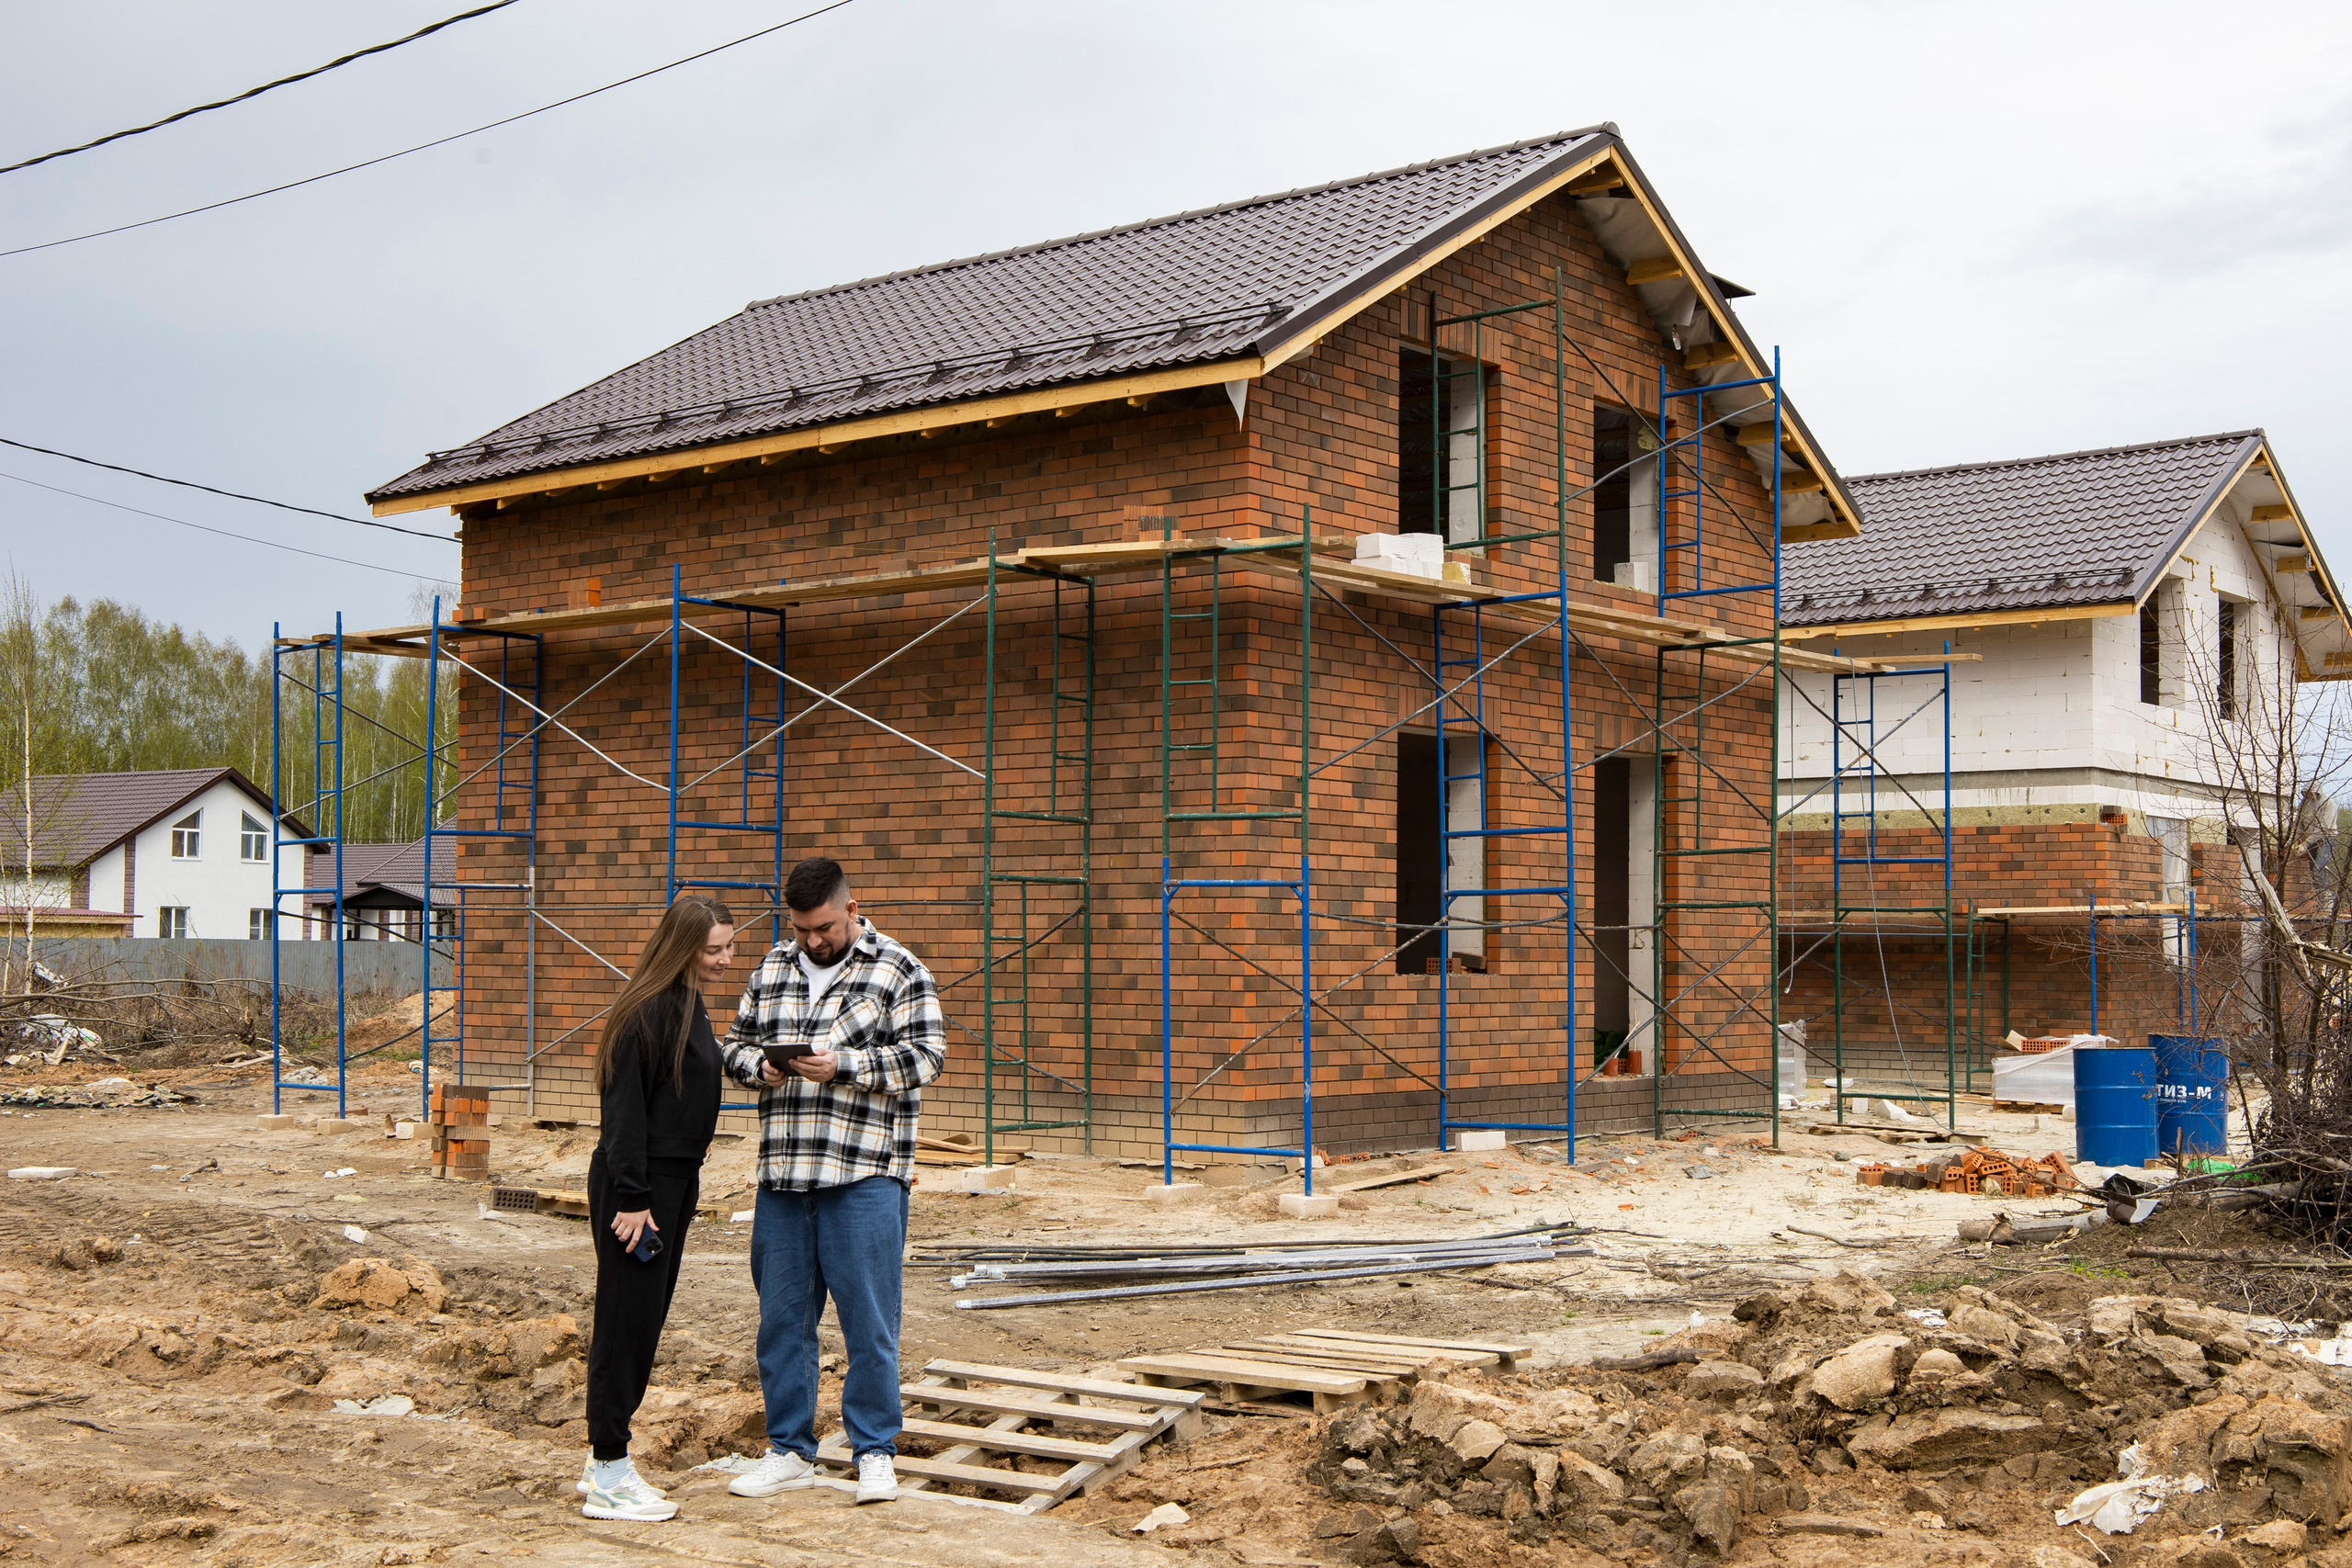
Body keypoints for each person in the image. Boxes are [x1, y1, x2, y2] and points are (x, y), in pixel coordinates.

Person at [720, 856, 944, 1506]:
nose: (812, 940)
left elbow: (927, 1055)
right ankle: (789, 1449)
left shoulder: (898, 968)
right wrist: (758, 1068)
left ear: (851, 909)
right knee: (782, 1320)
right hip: (785, 1177)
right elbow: (732, 1043)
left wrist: (843, 1064)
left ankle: (875, 1450)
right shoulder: (772, 969)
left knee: (870, 1321)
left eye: (822, 927)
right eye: (800, 929)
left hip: (865, 1175)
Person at [576, 895, 737, 1524]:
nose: (726, 958)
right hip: (638, 1192)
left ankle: (601, 1463)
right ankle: (611, 1467)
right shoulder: (646, 1011)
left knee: (641, 1322)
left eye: (729, 946)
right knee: (625, 1324)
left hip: (673, 1183)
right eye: (714, 948)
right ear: (682, 946)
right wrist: (636, 1197)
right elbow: (623, 1115)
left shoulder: (688, 1005)